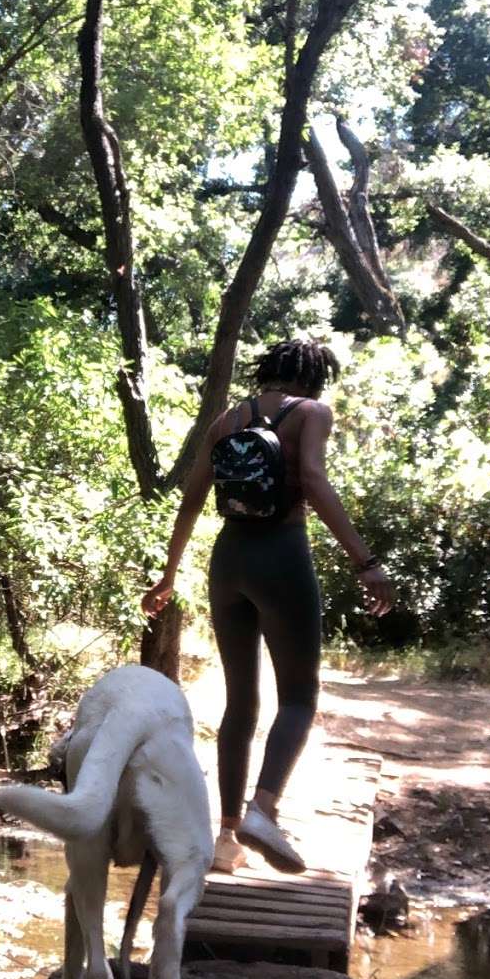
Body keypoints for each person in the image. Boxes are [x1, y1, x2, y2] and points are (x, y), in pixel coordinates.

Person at [141, 340, 394, 875]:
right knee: (299, 697)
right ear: (315, 378)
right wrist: (364, 561)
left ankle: (227, 838)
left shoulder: (227, 419)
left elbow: (191, 499)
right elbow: (313, 480)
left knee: (240, 704)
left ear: (268, 373)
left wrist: (167, 576)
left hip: (228, 560)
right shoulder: (310, 413)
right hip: (282, 556)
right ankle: (265, 809)